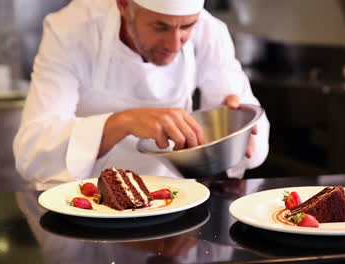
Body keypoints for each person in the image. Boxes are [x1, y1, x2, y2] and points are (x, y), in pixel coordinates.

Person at [13, 0, 270, 190]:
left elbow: (253, 140)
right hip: (82, 201)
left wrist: (238, 130)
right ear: (124, 5)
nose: (174, 44)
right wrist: (122, 122)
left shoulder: (210, 31)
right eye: (160, 26)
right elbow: (31, 152)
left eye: (187, 27)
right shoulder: (71, 31)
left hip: (170, 198)